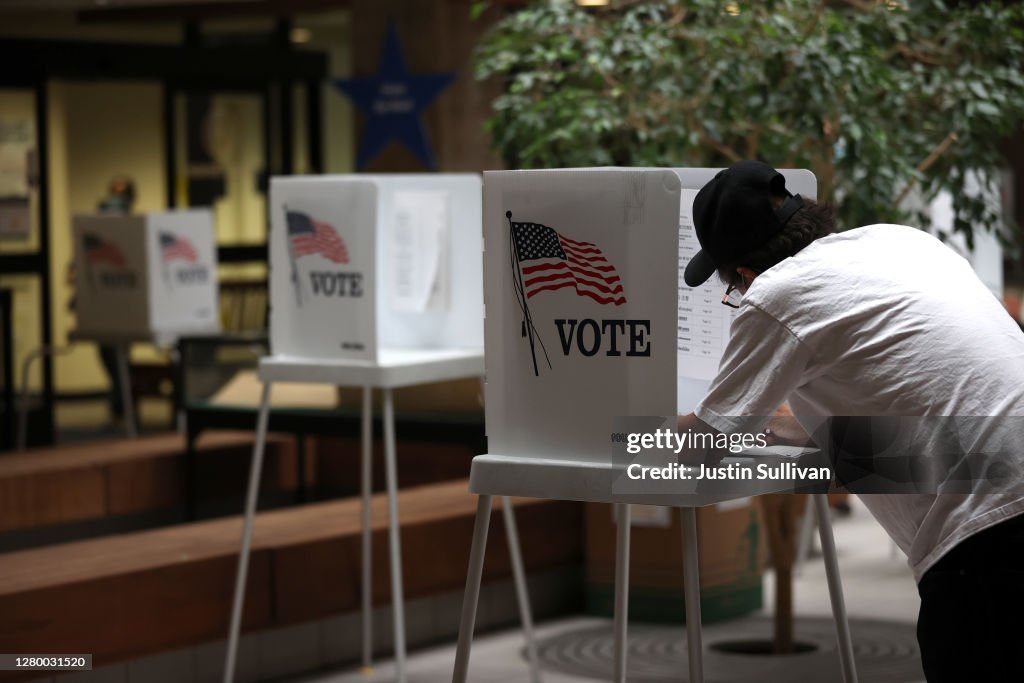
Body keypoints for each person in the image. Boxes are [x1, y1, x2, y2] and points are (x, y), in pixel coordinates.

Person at [677, 160, 1024, 682]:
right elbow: (920, 390)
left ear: (744, 274)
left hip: (988, 536)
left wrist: (651, 433)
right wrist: (774, 425)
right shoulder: (901, 241)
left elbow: (697, 453)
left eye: (732, 290)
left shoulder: (776, 296)